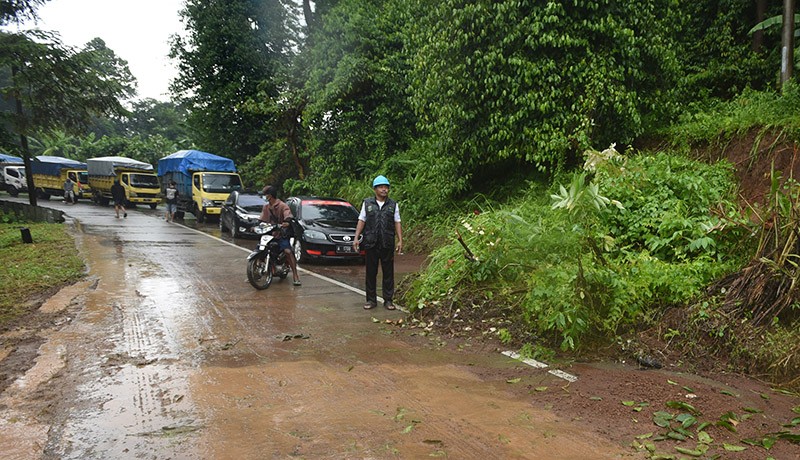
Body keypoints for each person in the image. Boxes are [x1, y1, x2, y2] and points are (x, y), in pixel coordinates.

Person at [353, 175, 403, 310]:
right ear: (375, 189)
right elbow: (361, 220)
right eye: (381, 187)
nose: (384, 189)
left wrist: (400, 240)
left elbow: (397, 222)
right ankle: (371, 300)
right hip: (371, 242)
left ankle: (388, 300)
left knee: (388, 273)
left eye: (386, 187)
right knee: (371, 272)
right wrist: (356, 238)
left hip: (387, 242)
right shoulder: (367, 204)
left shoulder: (393, 205)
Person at [259, 185, 301, 286]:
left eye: (265, 194)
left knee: (287, 251)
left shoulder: (282, 206)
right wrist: (256, 225)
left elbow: (288, 215)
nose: (264, 196)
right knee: (259, 249)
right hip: (269, 234)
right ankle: (255, 272)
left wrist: (286, 222)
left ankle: (295, 275)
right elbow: (261, 219)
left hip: (281, 234)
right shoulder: (266, 207)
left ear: (270, 195)